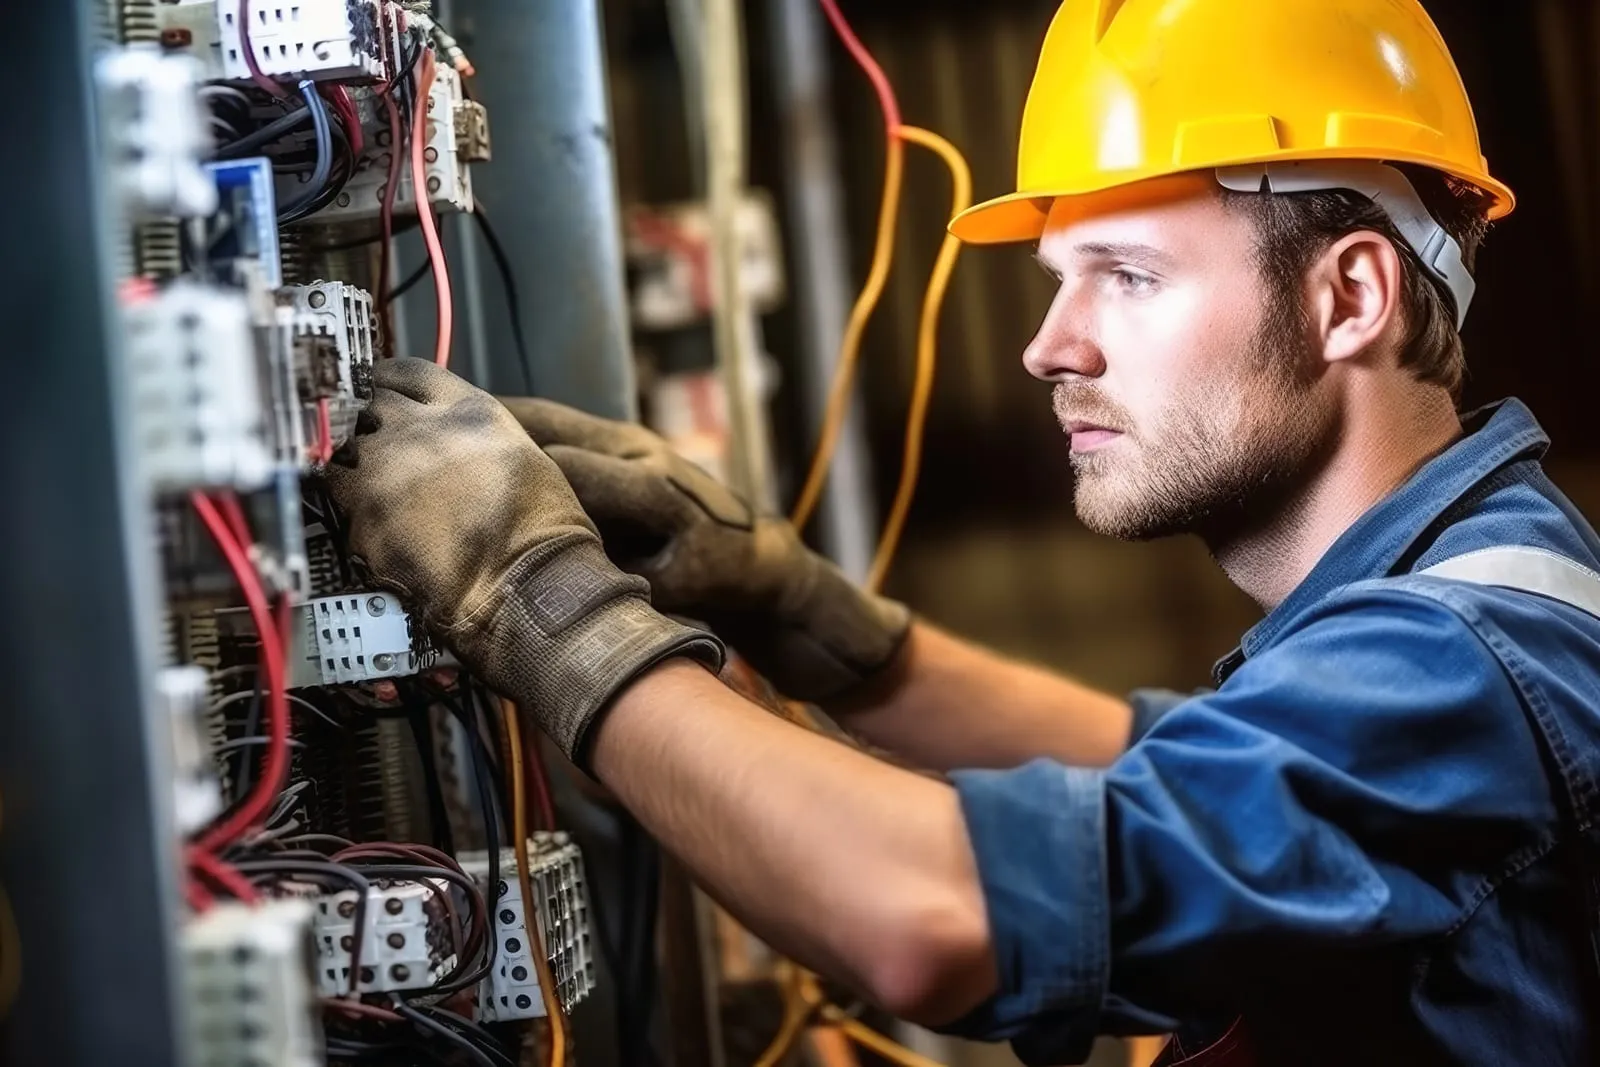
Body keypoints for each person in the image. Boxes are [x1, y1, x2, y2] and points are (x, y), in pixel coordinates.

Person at [324, 0, 1600, 1062]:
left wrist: (541, 601)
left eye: (1130, 275)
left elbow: (934, 917)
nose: (1049, 345)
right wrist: (814, 618)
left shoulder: (1467, 656)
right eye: (1058, 279)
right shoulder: (1470, 585)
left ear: (1351, 294)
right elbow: (1153, 769)